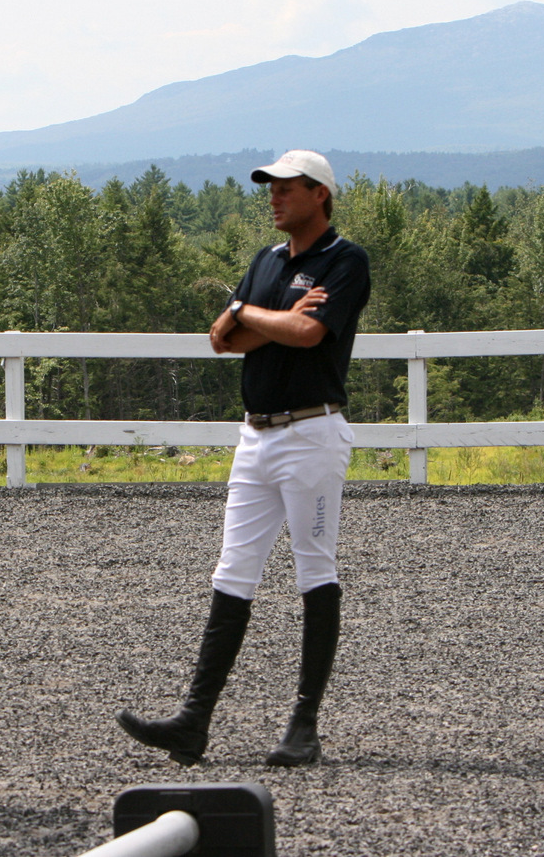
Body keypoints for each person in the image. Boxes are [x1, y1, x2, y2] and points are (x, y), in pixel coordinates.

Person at [117, 148, 370, 767]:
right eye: (271, 187)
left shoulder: (345, 261)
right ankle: (193, 721)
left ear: (321, 195)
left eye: (287, 187)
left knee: (315, 568)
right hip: (255, 436)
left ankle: (304, 724)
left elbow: (310, 334)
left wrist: (252, 317)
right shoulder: (266, 261)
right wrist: (262, 316)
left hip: (312, 435)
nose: (274, 196)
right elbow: (221, 339)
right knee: (233, 572)